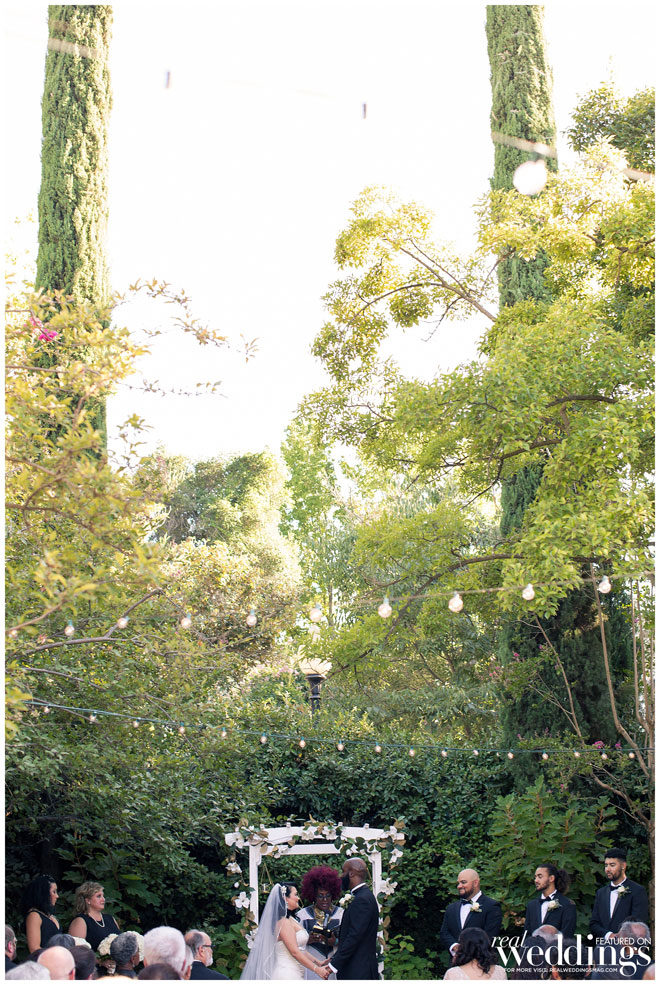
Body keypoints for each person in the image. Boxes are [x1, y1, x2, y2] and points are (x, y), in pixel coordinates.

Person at [241, 882, 330, 980]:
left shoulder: (290, 920)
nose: (298, 898)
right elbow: (294, 952)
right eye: (295, 895)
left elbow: (300, 949)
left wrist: (318, 962)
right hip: (287, 974)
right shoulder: (283, 922)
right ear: (285, 898)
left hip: (294, 972)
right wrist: (317, 970)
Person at [325, 859, 379, 981]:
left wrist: (333, 965)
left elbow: (354, 936)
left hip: (359, 971)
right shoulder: (363, 895)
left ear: (351, 873)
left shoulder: (362, 900)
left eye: (343, 871)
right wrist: (334, 958)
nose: (340, 876)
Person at [439, 869, 502, 958]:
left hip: (481, 961)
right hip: (455, 961)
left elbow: (490, 936)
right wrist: (454, 946)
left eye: (463, 882)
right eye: (458, 883)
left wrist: (466, 950)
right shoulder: (451, 908)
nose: (459, 886)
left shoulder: (491, 906)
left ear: (475, 883)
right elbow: (444, 933)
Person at [589, 849, 649, 940]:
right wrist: (608, 935)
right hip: (603, 945)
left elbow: (639, 922)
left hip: (628, 945)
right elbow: (594, 923)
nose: (608, 869)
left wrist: (621, 937)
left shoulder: (637, 891)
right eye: (606, 865)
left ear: (623, 866)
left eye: (612, 865)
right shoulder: (601, 893)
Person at [297, 866, 343, 980]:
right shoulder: (302, 915)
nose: (324, 900)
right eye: (320, 896)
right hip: (310, 965)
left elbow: (351, 942)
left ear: (333, 895)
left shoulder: (341, 914)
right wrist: (308, 940)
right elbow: (293, 944)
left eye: (328, 896)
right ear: (313, 895)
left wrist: (335, 942)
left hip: (334, 964)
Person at [523, 864, 576, 937]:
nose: (536, 880)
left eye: (540, 877)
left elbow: (567, 935)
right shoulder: (532, 905)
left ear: (551, 878)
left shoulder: (566, 904)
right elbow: (527, 934)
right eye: (535, 877)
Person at [68, 882, 121, 951]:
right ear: (88, 900)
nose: (103, 899)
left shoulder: (110, 918)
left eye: (103, 896)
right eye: (99, 896)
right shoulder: (80, 921)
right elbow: (76, 951)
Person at [23, 874, 62, 951]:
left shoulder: (49, 915)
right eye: (54, 892)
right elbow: (34, 948)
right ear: (44, 894)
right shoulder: (34, 915)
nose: (57, 896)